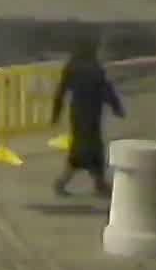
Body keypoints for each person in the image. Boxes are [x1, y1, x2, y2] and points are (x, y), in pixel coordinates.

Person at [53, 39, 124, 199]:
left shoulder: (72, 66)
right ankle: (66, 182)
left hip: (78, 113)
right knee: (87, 149)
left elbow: (61, 91)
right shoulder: (95, 68)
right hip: (92, 113)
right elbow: (106, 89)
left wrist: (55, 113)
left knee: (87, 147)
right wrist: (116, 107)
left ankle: (97, 183)